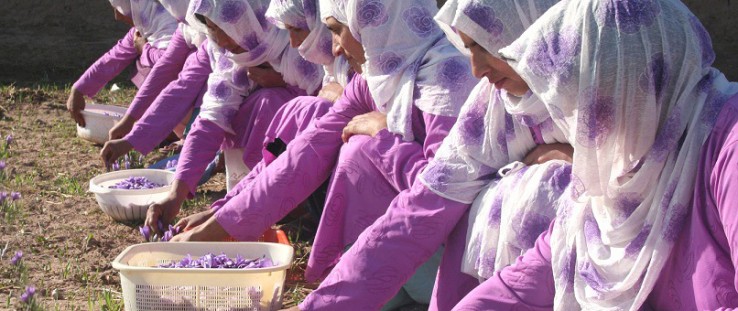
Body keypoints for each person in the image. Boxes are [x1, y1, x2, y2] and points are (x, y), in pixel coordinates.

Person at [446, 0, 738, 309]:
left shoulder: (726, 148)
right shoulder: (619, 174)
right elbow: (529, 277)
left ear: (636, 80)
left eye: (587, 102)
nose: (582, 127)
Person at [290, 0, 568, 309]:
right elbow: (429, 198)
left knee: (542, 184)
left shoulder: (605, 95)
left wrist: (585, 164)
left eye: (485, 46)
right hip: (480, 270)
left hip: (579, 278)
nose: (476, 68)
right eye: (469, 48)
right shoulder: (494, 102)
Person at [140, 0, 325, 232]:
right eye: (213, 29)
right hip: (272, 159)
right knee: (251, 106)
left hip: (314, 150)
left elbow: (330, 105)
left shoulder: (302, 38)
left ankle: (300, 206)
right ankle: (262, 200)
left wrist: (284, 82)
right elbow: (211, 119)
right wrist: (175, 195)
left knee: (276, 103)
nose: (222, 41)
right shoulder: (229, 54)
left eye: (226, 27)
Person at [105, 0, 207, 142]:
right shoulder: (186, 25)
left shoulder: (217, 31)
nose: (117, 16)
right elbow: (165, 69)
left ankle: (190, 135)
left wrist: (144, 50)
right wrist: (129, 121)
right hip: (203, 103)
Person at [67, 0, 178, 127]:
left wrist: (144, 50)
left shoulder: (172, 24)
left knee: (145, 68)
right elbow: (114, 58)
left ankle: (173, 127)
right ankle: (169, 126)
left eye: (120, 8)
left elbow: (172, 63)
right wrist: (78, 89)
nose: (117, 16)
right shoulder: (144, 27)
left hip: (194, 99)